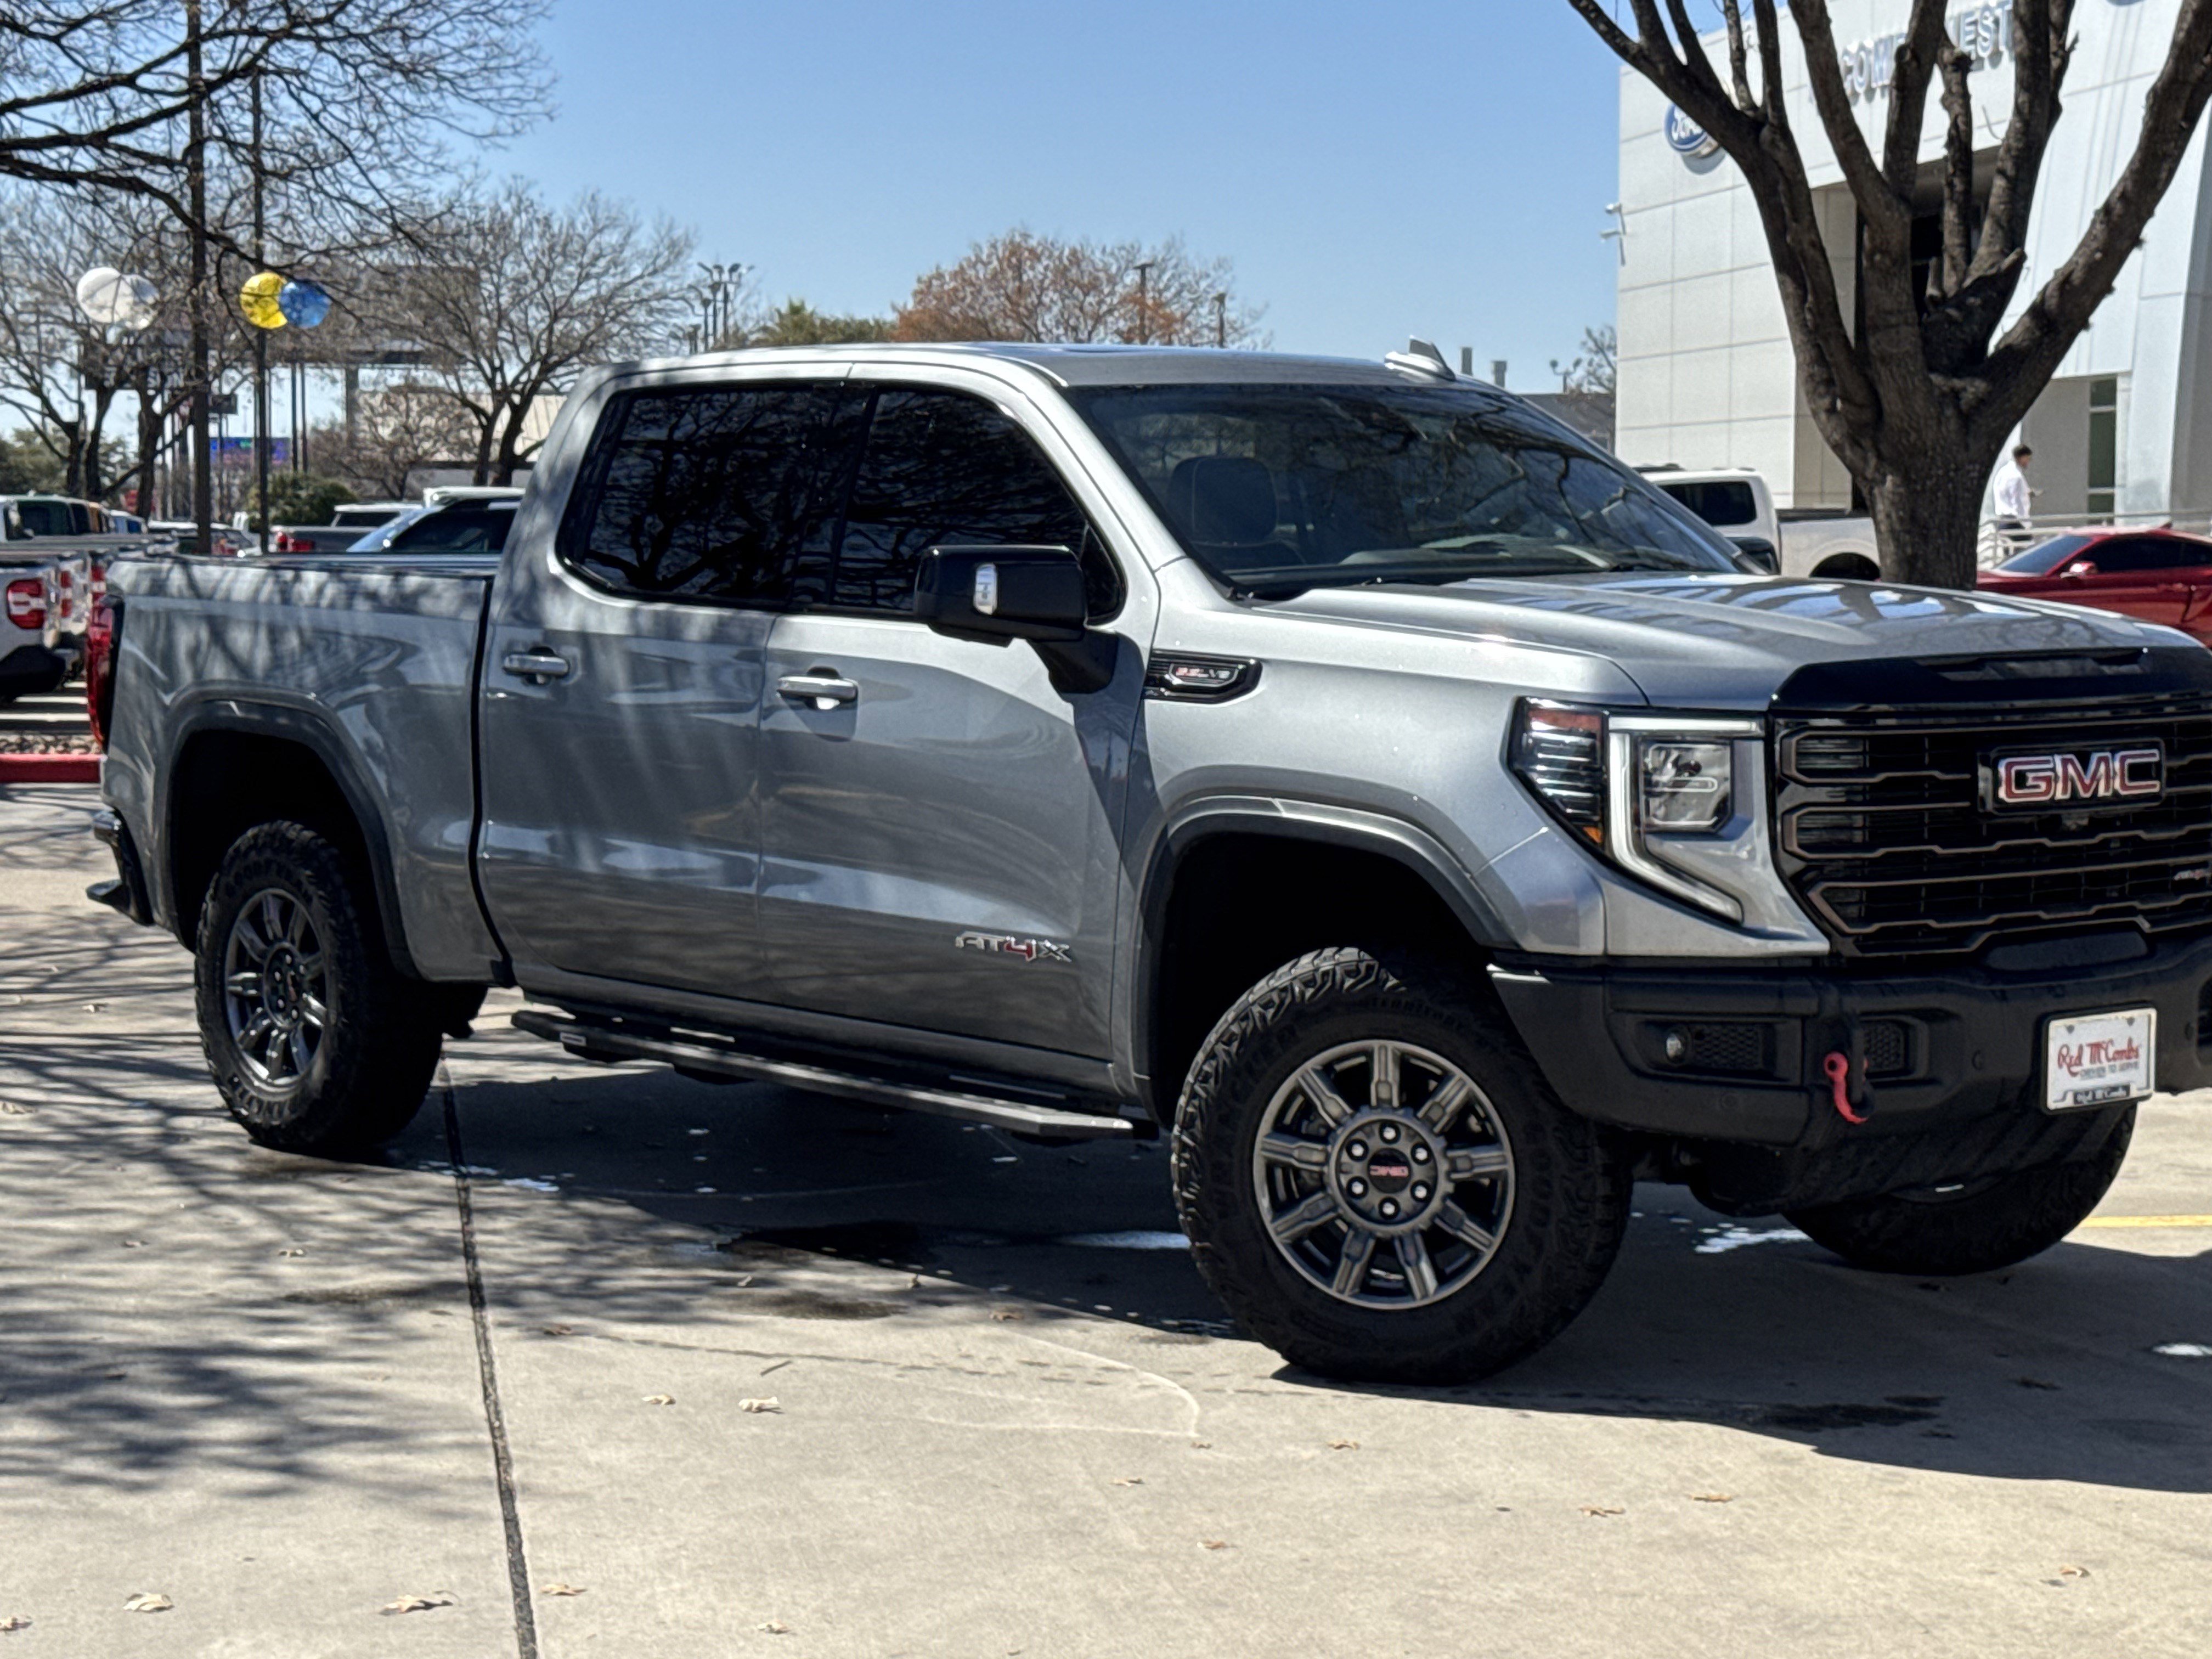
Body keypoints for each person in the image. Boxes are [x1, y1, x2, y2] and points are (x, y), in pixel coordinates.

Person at [1993, 443, 2035, 534]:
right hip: (2015, 522)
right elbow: (2018, 502)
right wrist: (2026, 524)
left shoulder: (2003, 472)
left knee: (2008, 547)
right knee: (2026, 546)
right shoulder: (2017, 476)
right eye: (2028, 458)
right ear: (2022, 457)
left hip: (2002, 520)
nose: (2028, 462)